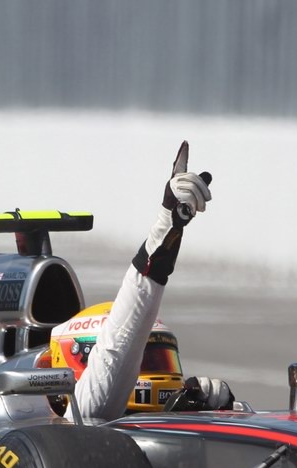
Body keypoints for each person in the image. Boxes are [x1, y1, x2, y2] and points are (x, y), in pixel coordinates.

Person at [49, 141, 234, 421]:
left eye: (162, 358)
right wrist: (167, 223)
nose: (159, 370)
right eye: (145, 359)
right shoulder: (83, 415)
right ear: (82, 359)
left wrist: (215, 416)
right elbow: (118, 347)